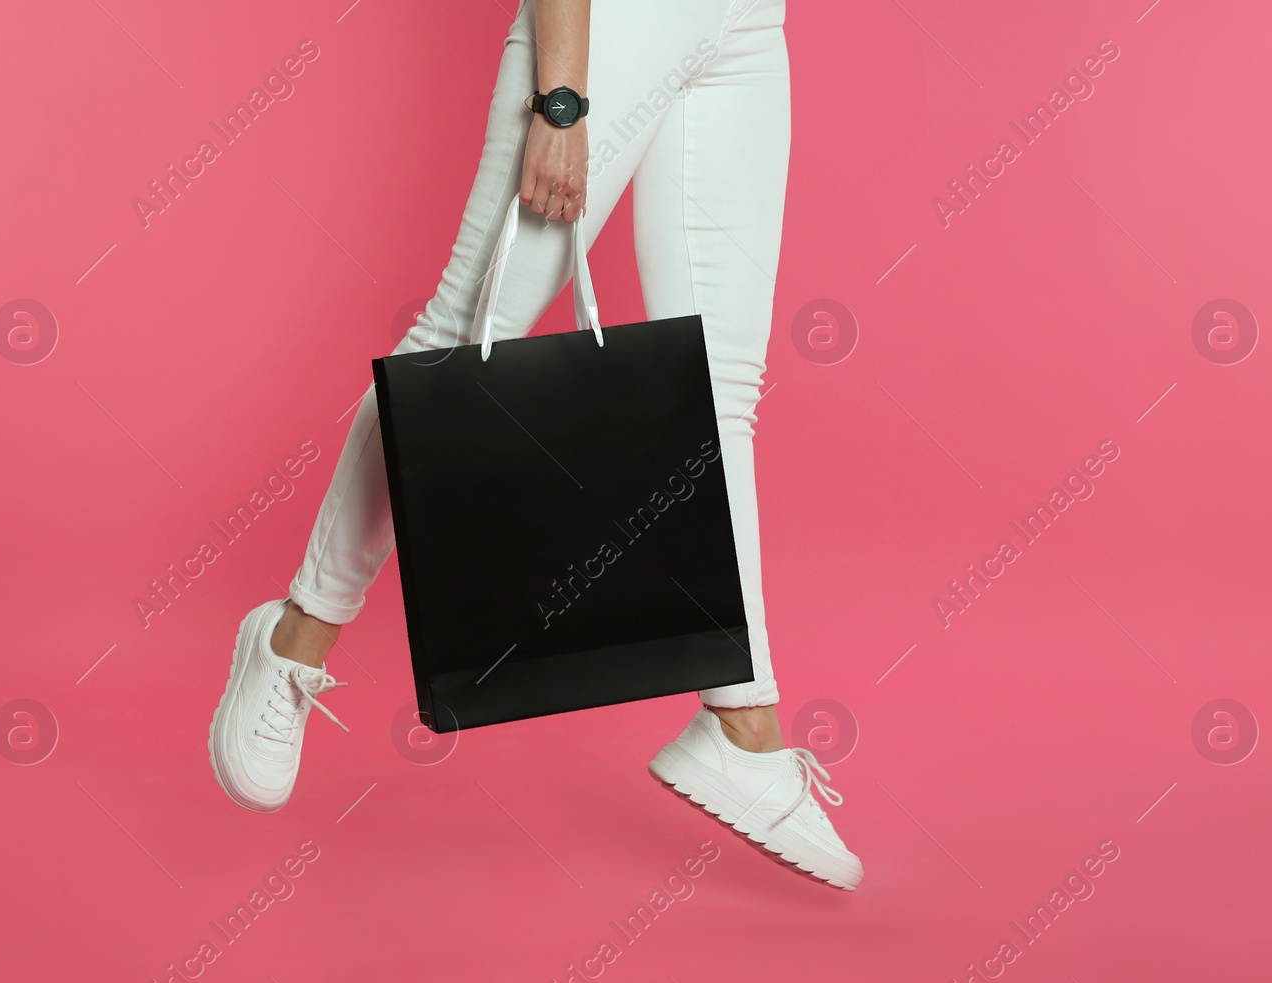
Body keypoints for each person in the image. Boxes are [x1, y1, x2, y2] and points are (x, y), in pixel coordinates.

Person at [207, 0, 863, 890]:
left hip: (748, 23)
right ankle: (295, 636)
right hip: (611, 26)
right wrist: (562, 96)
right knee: (460, 347)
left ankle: (742, 727)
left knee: (720, 391)